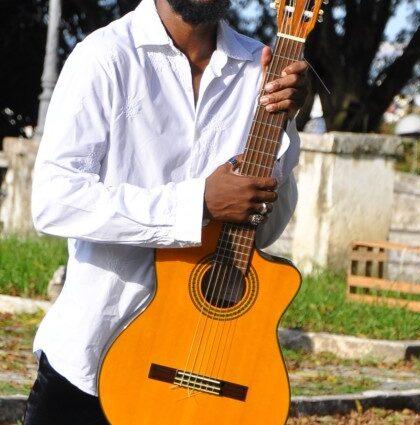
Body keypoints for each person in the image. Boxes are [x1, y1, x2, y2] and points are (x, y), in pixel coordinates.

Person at [24, 0, 309, 423]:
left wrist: (286, 124)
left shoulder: (259, 70)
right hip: (93, 359)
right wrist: (197, 204)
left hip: (212, 371)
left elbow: (261, 234)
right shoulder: (105, 56)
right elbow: (55, 201)